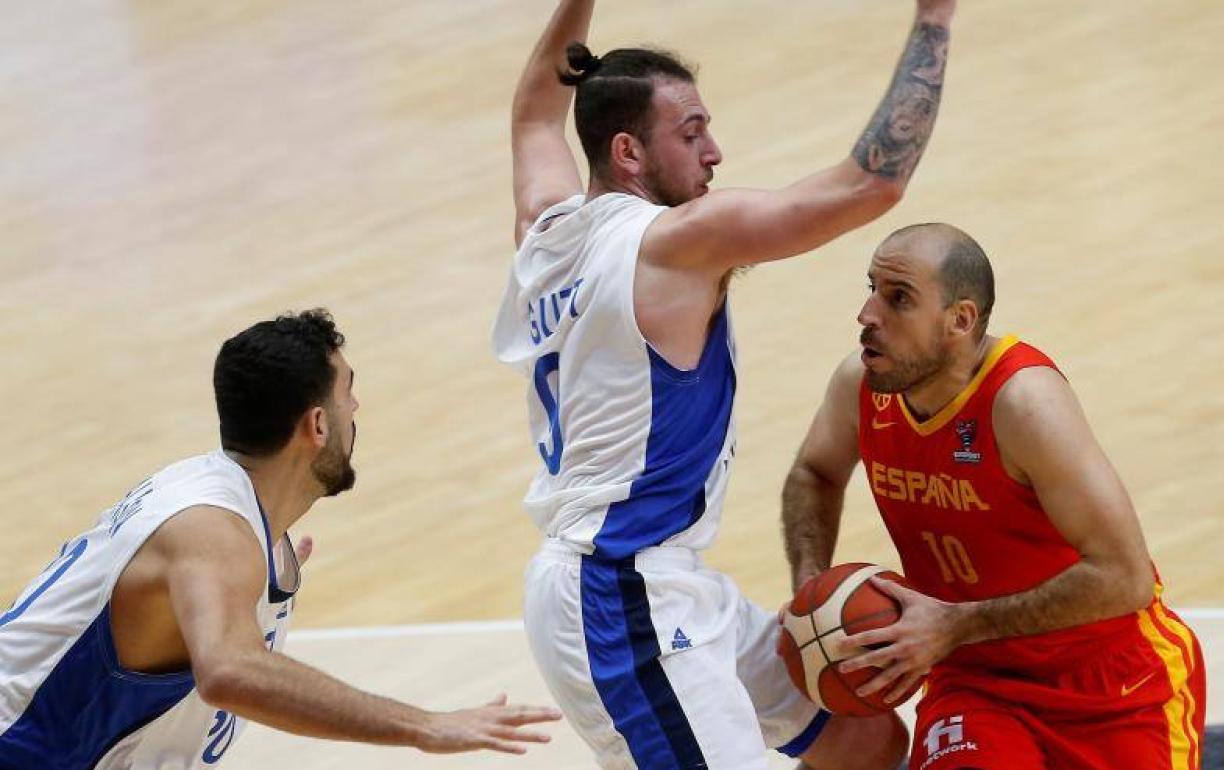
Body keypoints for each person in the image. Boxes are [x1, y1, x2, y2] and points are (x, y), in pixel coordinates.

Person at [493, 0, 956, 765]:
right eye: (691, 133)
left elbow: (536, 115)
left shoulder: (546, 231)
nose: (714, 153)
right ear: (628, 152)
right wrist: (935, 16)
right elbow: (872, 184)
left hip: (662, 579)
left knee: (863, 739)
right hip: (619, 597)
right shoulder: (674, 242)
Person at [0, 310, 560, 769]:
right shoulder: (212, 530)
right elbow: (230, 673)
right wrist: (425, 725)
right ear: (317, 425)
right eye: (347, 392)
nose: (356, 408)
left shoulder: (231, 519)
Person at [781, 223, 1205, 770]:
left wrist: (956, 623)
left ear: (960, 320)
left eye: (898, 298)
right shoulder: (860, 387)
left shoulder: (1024, 404)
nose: (867, 315)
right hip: (974, 683)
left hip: (1111, 683)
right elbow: (815, 471)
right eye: (871, 289)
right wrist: (810, 586)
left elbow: (1124, 578)